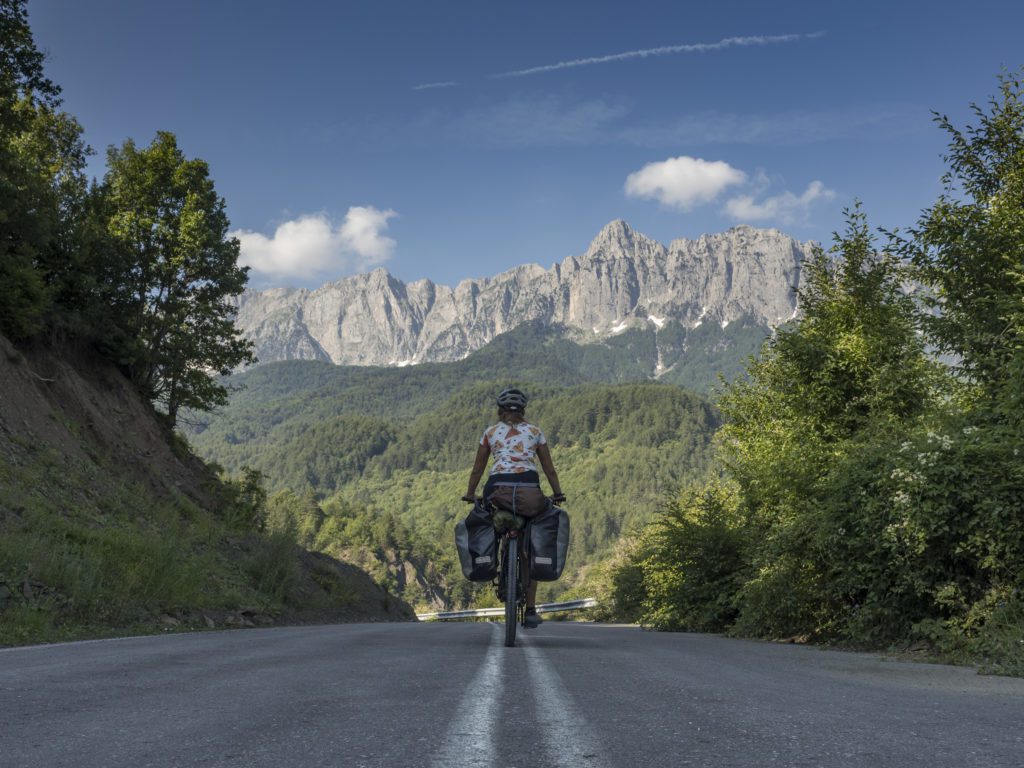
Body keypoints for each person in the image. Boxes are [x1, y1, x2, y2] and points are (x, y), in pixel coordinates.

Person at [462, 387, 565, 628]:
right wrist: (557, 493)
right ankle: (530, 609)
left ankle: (492, 557)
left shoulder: (490, 433)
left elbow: (477, 469)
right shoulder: (535, 432)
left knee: (489, 522)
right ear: (523, 411)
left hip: (497, 490)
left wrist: (469, 493)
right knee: (531, 540)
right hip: (529, 489)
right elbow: (549, 469)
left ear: (500, 411)